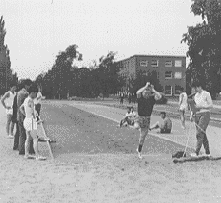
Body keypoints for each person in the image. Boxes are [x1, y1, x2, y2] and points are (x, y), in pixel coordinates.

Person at [135, 82, 162, 159]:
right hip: (140, 117)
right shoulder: (140, 97)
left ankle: (139, 151)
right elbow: (138, 92)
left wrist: (153, 90)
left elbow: (159, 96)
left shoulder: (151, 99)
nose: (146, 93)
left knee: (142, 137)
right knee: (136, 126)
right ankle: (133, 123)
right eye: (145, 91)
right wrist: (145, 86)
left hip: (147, 119)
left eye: (148, 92)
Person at [20, 84, 46, 160]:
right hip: (31, 120)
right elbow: (34, 113)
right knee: (35, 139)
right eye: (35, 93)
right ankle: (37, 156)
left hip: (26, 120)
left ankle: (26, 154)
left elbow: (21, 108)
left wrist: (26, 114)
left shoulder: (26, 99)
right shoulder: (30, 101)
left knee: (28, 138)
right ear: (32, 92)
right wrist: (37, 120)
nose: (35, 95)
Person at [190, 81, 213, 157]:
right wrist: (192, 114)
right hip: (197, 115)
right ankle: (207, 152)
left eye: (196, 88)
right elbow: (194, 106)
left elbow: (210, 105)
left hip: (205, 114)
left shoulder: (206, 94)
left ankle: (196, 152)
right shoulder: (196, 95)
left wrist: (202, 107)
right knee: (202, 133)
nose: (195, 89)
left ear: (200, 87)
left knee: (199, 133)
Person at [17, 79, 35, 155]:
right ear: (26, 85)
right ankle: (25, 150)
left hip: (19, 116)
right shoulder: (24, 94)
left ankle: (21, 149)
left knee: (21, 133)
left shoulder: (19, 93)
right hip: (23, 116)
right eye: (29, 86)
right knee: (26, 134)